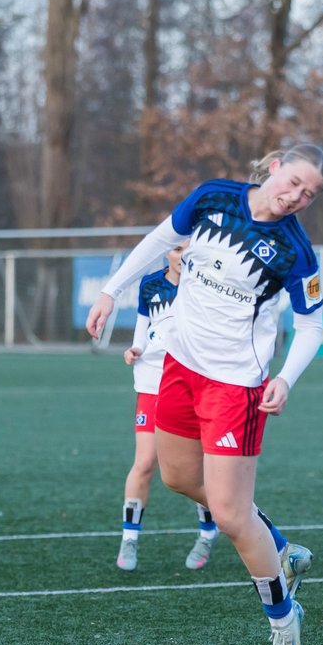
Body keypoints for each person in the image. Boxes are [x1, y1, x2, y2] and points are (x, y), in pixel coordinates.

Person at [86, 144, 323, 645]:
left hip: (234, 388)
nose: (295, 198)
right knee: (176, 477)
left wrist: (285, 378)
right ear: (273, 169)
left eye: (308, 195)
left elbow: (312, 325)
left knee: (227, 513)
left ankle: (284, 617)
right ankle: (280, 547)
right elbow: (160, 239)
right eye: (292, 183)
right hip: (177, 367)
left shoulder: (295, 251)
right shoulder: (213, 197)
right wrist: (110, 292)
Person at [116, 240, 221, 572]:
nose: (182, 257)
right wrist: (134, 348)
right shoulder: (151, 284)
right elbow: (143, 324)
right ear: (167, 253)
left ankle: (207, 533)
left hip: (193, 384)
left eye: (188, 251)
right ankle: (129, 539)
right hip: (151, 383)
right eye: (177, 250)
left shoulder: (207, 287)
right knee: (145, 462)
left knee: (194, 471)